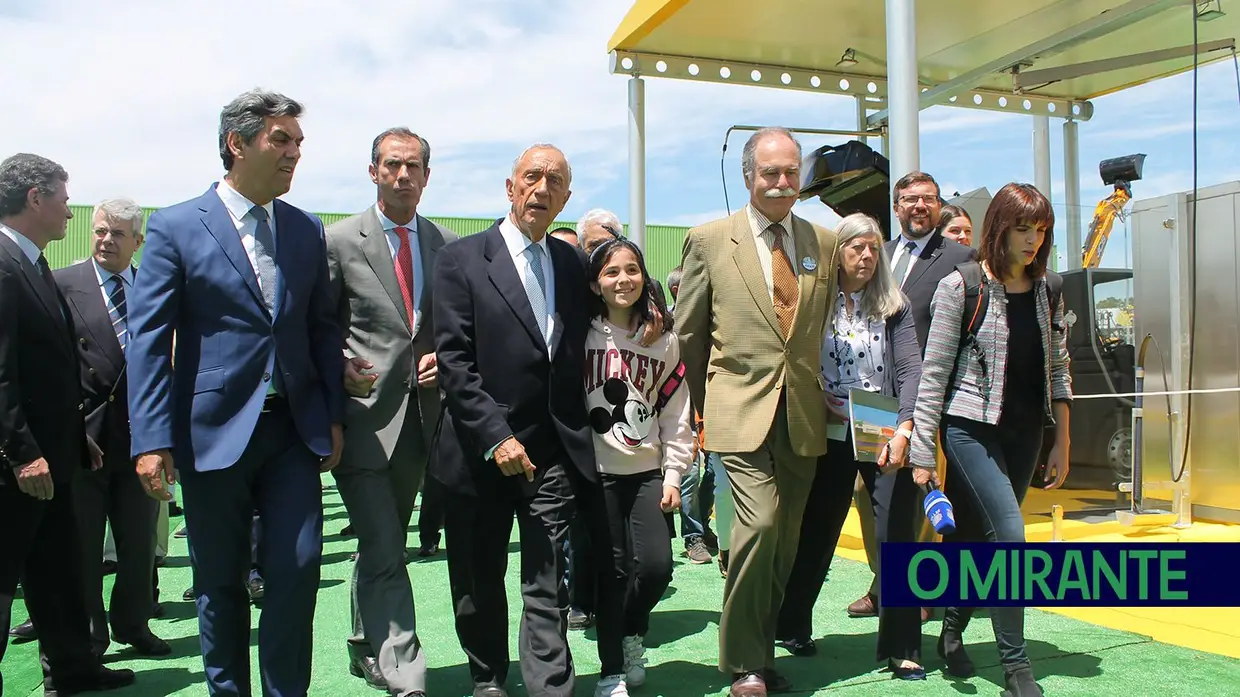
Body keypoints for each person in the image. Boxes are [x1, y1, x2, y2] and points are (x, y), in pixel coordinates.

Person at [127, 90, 346, 697]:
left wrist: (330, 415)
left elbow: (320, 329)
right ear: (237, 143)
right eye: (281, 140)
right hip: (209, 433)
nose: (294, 154)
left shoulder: (305, 230)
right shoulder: (174, 226)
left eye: (298, 143)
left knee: (297, 571)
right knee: (219, 581)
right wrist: (150, 439)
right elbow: (148, 340)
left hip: (292, 432)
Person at [431, 144, 628, 697]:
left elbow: (610, 317)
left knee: (546, 578)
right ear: (511, 186)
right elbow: (455, 362)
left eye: (555, 181)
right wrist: (497, 437)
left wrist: (652, 322)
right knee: (477, 581)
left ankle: (551, 687)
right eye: (532, 177)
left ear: (566, 196)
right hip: (478, 453)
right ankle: (489, 676)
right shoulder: (461, 260)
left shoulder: (570, 265)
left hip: (551, 454)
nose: (542, 188)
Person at [675, 127, 839, 697]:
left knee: (784, 543)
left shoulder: (823, 242)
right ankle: (745, 662)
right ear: (749, 176)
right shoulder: (710, 239)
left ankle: (761, 653)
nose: (782, 182)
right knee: (759, 525)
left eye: (791, 171)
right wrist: (699, 407)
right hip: (736, 409)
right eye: (770, 172)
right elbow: (690, 333)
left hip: (802, 415)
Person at [909, 182, 1072, 697]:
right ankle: (1017, 671)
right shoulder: (962, 286)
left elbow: (1061, 369)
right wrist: (922, 453)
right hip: (968, 429)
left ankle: (953, 625)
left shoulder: (1050, 289)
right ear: (1000, 228)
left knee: (984, 539)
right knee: (1011, 537)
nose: (1033, 240)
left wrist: (1063, 441)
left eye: (1041, 230)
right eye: (1024, 228)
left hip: (1026, 432)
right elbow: (933, 373)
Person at [325, 126, 456, 697]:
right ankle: (405, 668)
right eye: (392, 165)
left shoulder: (446, 244)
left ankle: (362, 642)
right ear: (373, 170)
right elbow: (316, 327)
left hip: (422, 423)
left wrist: (444, 362)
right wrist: (337, 365)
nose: (403, 175)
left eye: (414, 167)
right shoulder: (335, 241)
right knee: (385, 545)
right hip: (362, 420)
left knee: (384, 541)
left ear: (427, 176)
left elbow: (453, 331)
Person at [0, 153, 134, 695]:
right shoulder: (4, 266)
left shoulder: (32, 265)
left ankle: (73, 670)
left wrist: (72, 437)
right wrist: (20, 452)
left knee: (56, 573)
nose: (69, 214)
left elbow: (46, 371)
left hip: (54, 456)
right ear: (35, 198)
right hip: (20, 467)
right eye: (62, 198)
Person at [775, 212, 926, 677]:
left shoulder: (893, 306)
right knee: (818, 529)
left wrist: (905, 427)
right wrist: (818, 397)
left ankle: (903, 647)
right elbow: (796, 358)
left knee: (895, 533)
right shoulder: (815, 302)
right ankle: (792, 623)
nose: (865, 255)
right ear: (836, 252)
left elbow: (910, 370)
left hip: (882, 425)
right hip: (828, 425)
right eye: (855, 247)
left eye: (872, 247)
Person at [847, 171, 976, 620]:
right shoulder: (874, 254)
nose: (919, 206)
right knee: (871, 496)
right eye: (909, 199)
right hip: (871, 399)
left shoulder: (962, 258)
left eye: (929, 199)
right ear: (896, 206)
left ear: (939, 206)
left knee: (920, 492)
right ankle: (884, 583)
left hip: (930, 398)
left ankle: (917, 589)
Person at [54, 198, 170, 657]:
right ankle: (88, 639)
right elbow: (50, 364)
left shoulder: (155, 290)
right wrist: (68, 428)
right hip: (82, 439)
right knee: (81, 548)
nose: (105, 239)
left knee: (139, 545)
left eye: (117, 234)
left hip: (140, 440)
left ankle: (133, 624)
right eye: (101, 231)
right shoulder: (63, 284)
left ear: (137, 242)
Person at [583, 236, 693, 693]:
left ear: (643, 276)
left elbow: (675, 411)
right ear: (595, 284)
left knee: (656, 567)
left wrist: (673, 472)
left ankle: (630, 631)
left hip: (647, 471)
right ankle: (611, 671)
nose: (622, 280)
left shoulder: (662, 339)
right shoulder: (580, 334)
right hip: (596, 475)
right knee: (610, 574)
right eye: (611, 272)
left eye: (631, 270)